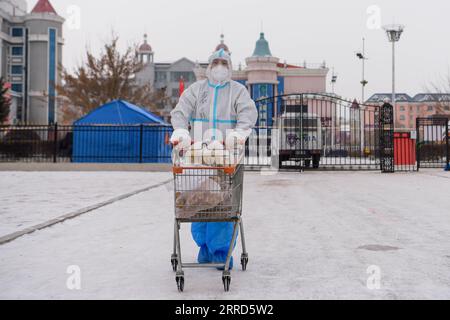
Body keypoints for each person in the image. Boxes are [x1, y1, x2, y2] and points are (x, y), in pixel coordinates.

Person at [170, 48, 258, 269]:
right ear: (209, 66)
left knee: (225, 205)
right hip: (199, 156)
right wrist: (181, 132)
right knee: (199, 202)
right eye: (216, 62)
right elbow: (180, 111)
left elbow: (248, 114)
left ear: (229, 67)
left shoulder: (238, 92)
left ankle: (221, 251)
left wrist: (238, 134)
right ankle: (206, 247)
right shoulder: (197, 90)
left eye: (224, 63)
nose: (219, 67)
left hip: (227, 157)